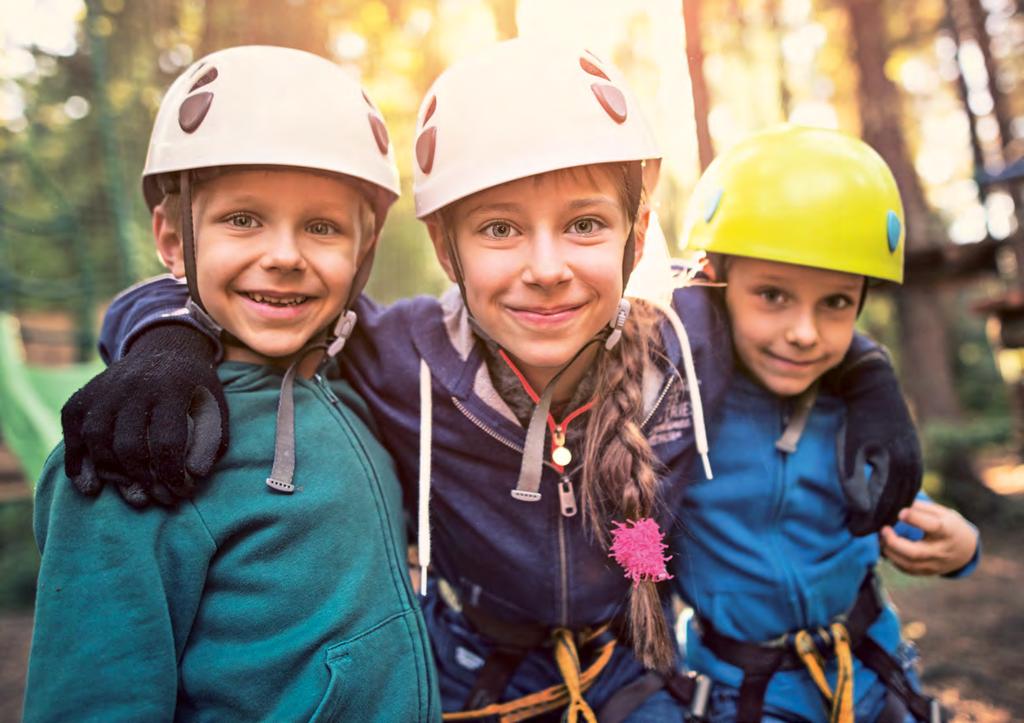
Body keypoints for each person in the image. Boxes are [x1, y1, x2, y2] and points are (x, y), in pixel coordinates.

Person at [57, 40, 923, 721]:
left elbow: (793, 310)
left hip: (629, 670)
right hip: (474, 675)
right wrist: (162, 344)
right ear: (446, 249)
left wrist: (872, 376)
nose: (545, 269)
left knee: (641, 537)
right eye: (501, 229)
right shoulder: (398, 355)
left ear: (636, 234)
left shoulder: (687, 345)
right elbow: (263, 297)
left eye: (584, 224)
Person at [24, 45, 440, 722]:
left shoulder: (360, 386)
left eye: (322, 226)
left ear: (362, 253)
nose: (283, 255)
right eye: (242, 218)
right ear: (172, 238)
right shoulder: (134, 445)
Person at [668, 124, 981, 723]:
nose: (805, 332)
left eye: (835, 302)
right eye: (773, 296)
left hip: (873, 672)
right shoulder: (679, 415)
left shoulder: (851, 409)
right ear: (717, 285)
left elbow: (899, 509)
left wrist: (962, 547)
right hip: (743, 695)